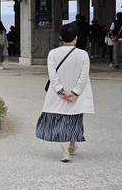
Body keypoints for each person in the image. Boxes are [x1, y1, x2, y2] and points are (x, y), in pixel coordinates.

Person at [36, 21, 94, 162]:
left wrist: (60, 91)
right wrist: (75, 93)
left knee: (60, 121)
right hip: (76, 96)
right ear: (76, 38)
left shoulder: (53, 53)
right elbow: (83, 76)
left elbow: (52, 75)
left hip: (58, 95)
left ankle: (66, 151)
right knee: (74, 119)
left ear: (61, 38)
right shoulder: (83, 55)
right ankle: (71, 146)